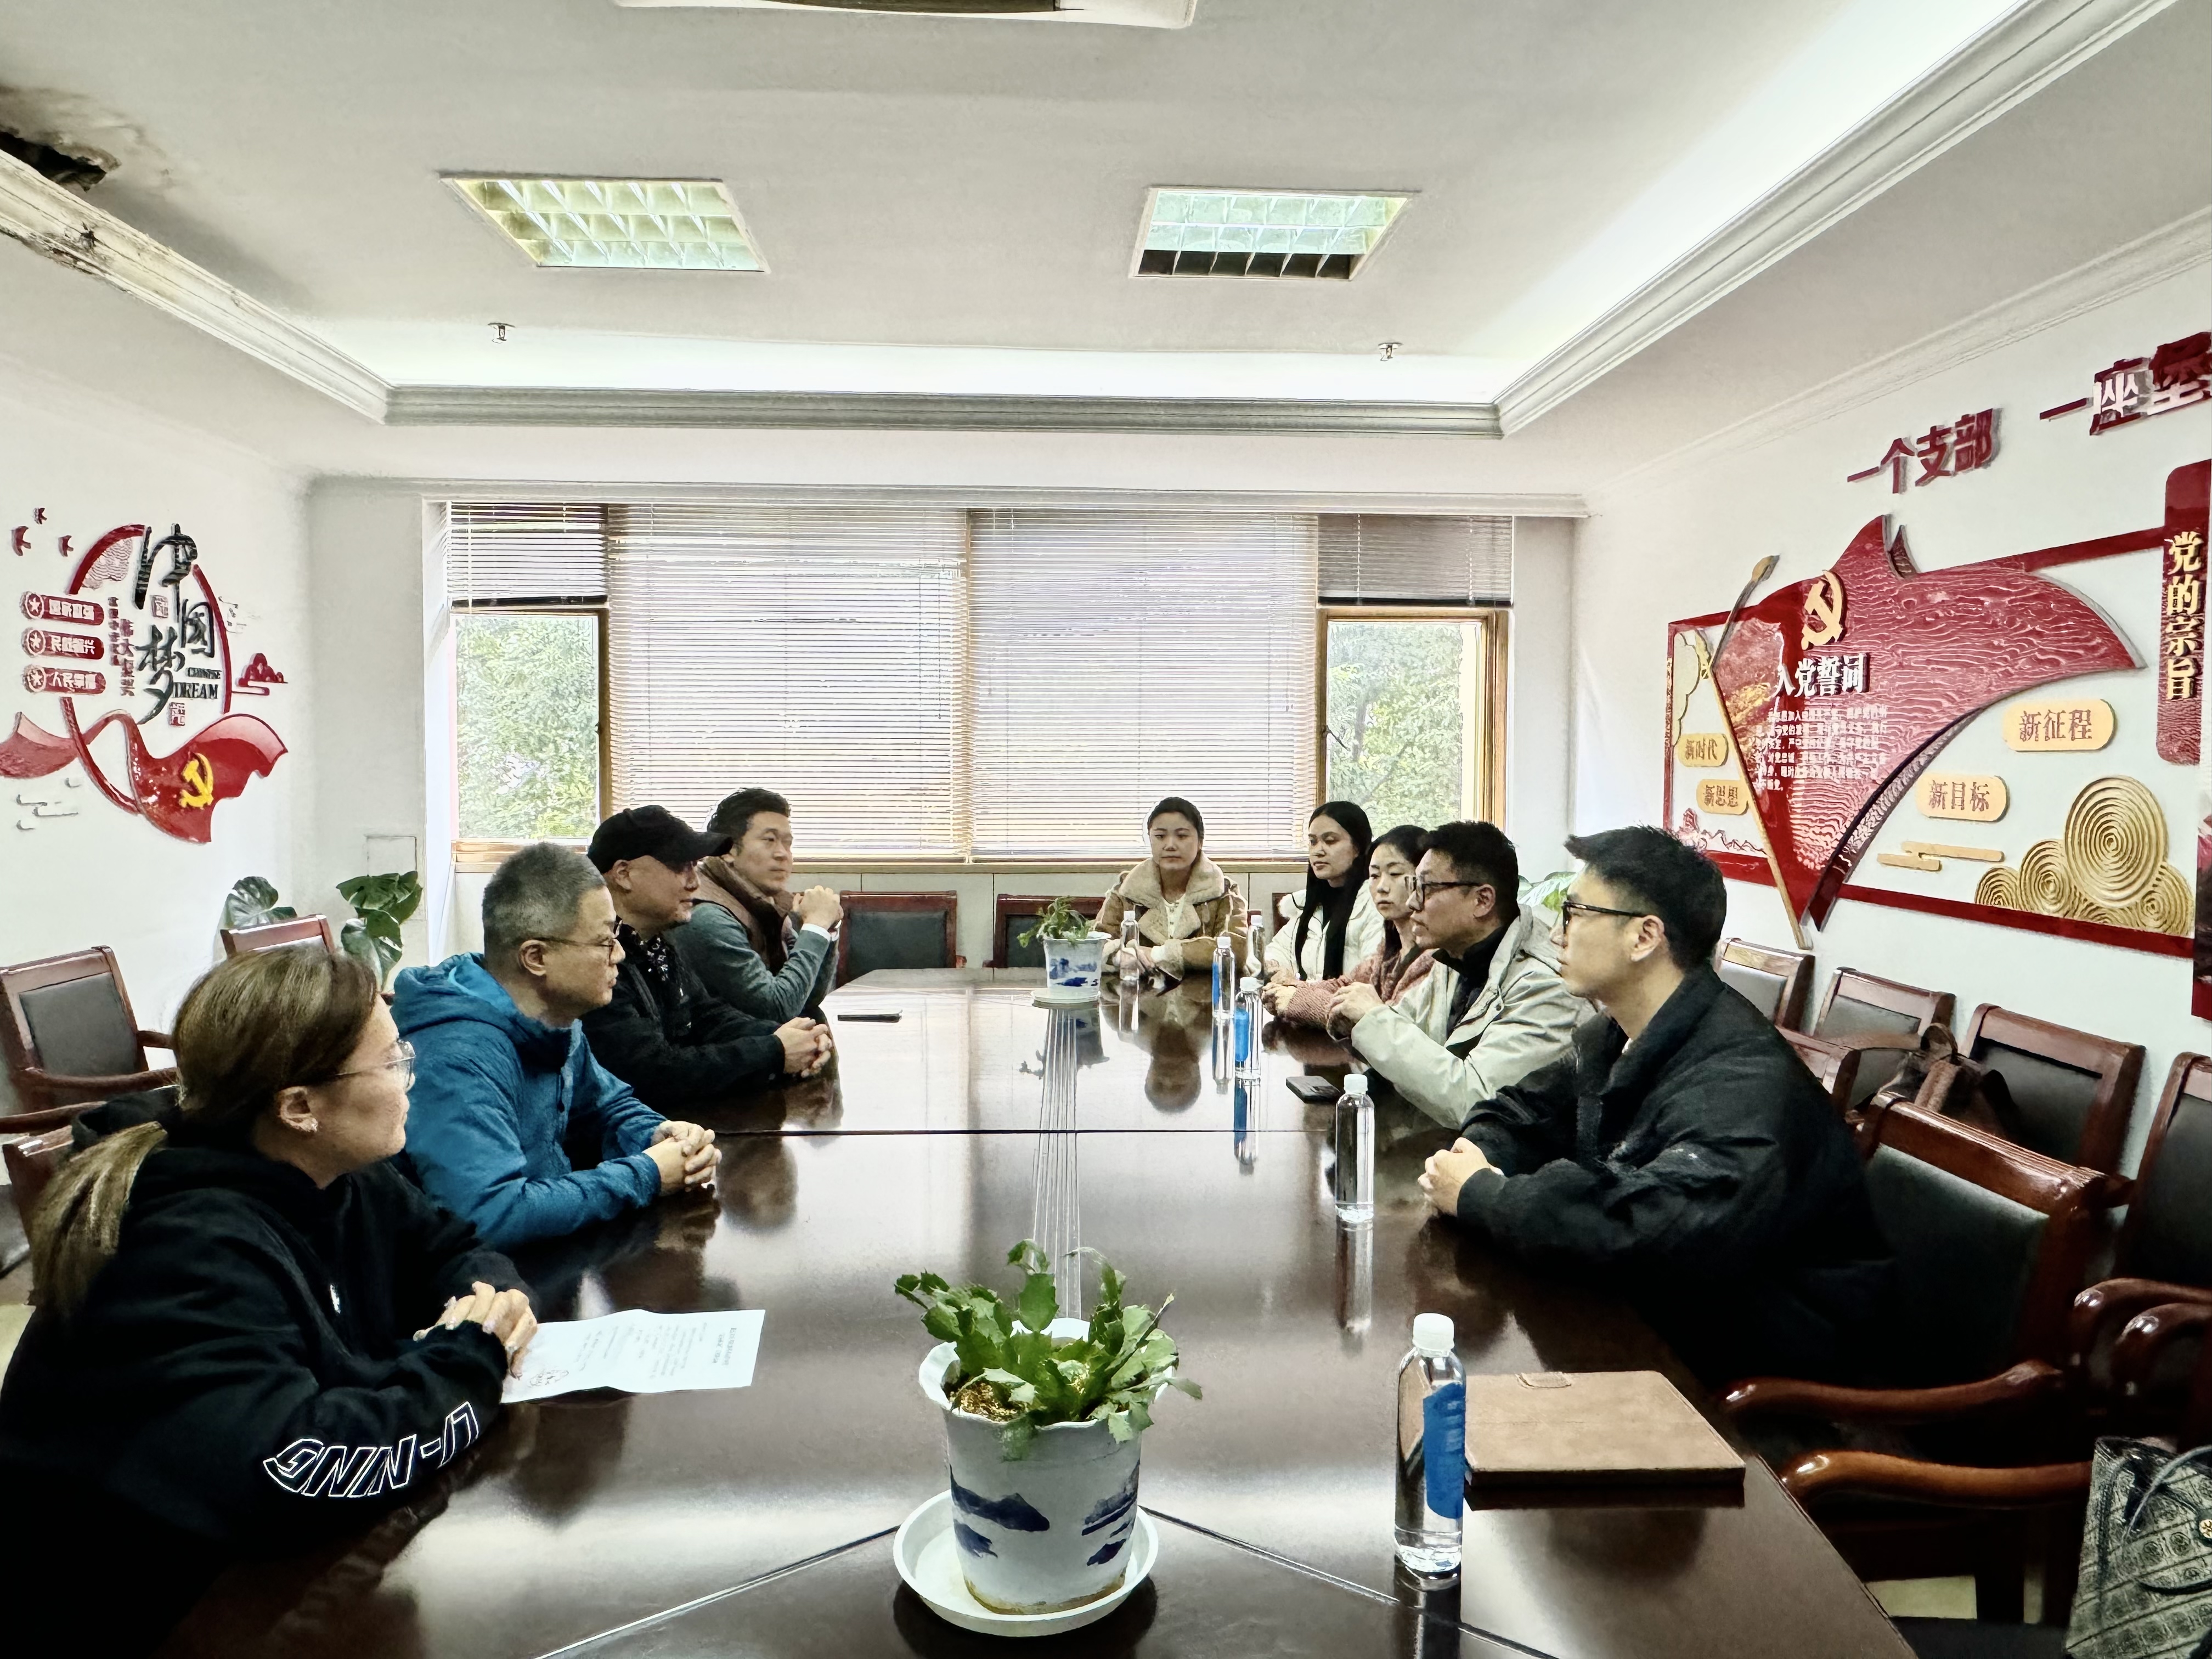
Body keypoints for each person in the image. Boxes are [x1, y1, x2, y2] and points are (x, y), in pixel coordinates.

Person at [0, 949, 538, 1656]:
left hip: (254, 1565)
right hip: (145, 1610)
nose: (412, 1079)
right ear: (299, 1107)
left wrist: (491, 1301)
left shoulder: (338, 1170)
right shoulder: (183, 1248)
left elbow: (455, 1247)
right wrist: (472, 1355)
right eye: (392, 1063)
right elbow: (297, 1466)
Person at [1415, 827, 1894, 1385]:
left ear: (1644, 937)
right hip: (1655, 1320)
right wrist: (1476, 1155)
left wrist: (1483, 1195)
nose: (1556, 935)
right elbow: (1519, 1110)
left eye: (1575, 913)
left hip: (1767, 1369)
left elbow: (1644, 1230)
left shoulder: (1741, 1081)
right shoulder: (1617, 1032)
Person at [396, 841, 723, 1250]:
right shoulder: (457, 1057)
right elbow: (490, 1215)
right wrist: (648, 1174)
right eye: (604, 941)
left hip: (547, 1257)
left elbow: (609, 1105)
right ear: (536, 957)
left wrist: (661, 1136)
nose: (620, 954)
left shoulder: (554, 1017)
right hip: (483, 1278)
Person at [582, 805, 834, 1105]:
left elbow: (709, 1018)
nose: (695, 882)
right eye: (680, 867)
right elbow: (652, 1072)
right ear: (624, 874)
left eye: (695, 865)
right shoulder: (592, 958)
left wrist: (796, 1037)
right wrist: (775, 1051)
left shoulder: (655, 942)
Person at [1335, 820, 1580, 1127]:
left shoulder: (1547, 985)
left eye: (1426, 888)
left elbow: (1475, 1100)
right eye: (1414, 886)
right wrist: (1354, 1021)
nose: (1412, 902)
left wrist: (1373, 1020)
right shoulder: (1456, 955)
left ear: (1482, 900)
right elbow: (1405, 1028)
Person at [675, 786, 841, 1023]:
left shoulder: (765, 902)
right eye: (769, 840)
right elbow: (777, 1007)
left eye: (788, 843)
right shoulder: (707, 916)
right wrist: (815, 926)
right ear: (728, 850)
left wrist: (826, 927)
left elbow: (806, 997)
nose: (783, 854)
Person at [1267, 823, 1435, 1034]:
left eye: (1394, 873)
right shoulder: (1391, 947)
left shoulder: (1434, 955)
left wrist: (1299, 1001)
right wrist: (1291, 989)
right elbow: (1348, 984)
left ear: (1423, 880)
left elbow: (1386, 1027)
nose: (1382, 887)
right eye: (1374, 876)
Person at [1096, 797, 1249, 982]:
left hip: (1205, 996)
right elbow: (1097, 945)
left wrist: (1160, 954)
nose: (1170, 845)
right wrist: (1118, 956)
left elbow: (1236, 949)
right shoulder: (1126, 890)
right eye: (1160, 836)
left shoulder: (1223, 891)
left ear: (1200, 841)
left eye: (1182, 836)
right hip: (1139, 995)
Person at [1266, 802, 1384, 983]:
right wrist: (1278, 972)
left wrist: (1300, 992)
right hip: (1306, 1000)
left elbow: (1371, 979)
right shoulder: (1310, 904)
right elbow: (1276, 952)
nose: (1318, 851)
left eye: (1330, 841)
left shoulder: (1375, 903)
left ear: (1358, 847)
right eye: (1313, 842)